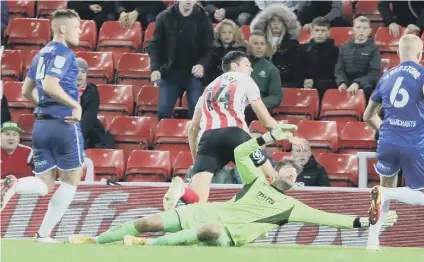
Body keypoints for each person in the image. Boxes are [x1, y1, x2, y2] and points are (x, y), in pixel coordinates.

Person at [67, 124, 398, 247]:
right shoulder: (257, 181)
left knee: (210, 230)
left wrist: (370, 220)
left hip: (227, 234)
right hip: (205, 211)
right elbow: (241, 150)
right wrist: (270, 136)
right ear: (276, 173)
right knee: (146, 221)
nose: (291, 175)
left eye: (295, 175)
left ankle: (149, 247)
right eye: (287, 170)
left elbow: (333, 219)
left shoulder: (292, 207)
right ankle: (95, 240)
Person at [363, 34, 424, 251]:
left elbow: (368, 115)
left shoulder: (386, 77)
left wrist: (383, 128)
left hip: (387, 142)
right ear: (420, 54)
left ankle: (371, 243)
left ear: (398, 54)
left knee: (384, 189)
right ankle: (386, 194)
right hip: (413, 144)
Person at [0, 10, 84, 244]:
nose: (81, 31)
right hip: (63, 126)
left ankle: (13, 184)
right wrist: (74, 106)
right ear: (62, 29)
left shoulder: (40, 55)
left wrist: (45, 108)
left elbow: (26, 91)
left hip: (41, 127)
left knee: (44, 184)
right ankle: (43, 234)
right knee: (71, 179)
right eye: (77, 27)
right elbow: (50, 85)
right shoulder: (64, 53)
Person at [162, 51, 279, 210]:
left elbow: (193, 129)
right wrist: (291, 138)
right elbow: (266, 120)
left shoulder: (208, 88)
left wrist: (199, 162)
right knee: (270, 177)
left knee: (197, 202)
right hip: (236, 135)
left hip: (208, 138)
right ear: (234, 66)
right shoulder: (245, 79)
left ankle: (181, 190)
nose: (251, 69)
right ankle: (258, 219)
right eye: (247, 65)